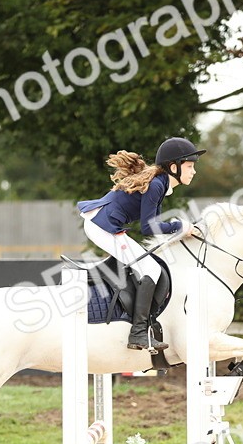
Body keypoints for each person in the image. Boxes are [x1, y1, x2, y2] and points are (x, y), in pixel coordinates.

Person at [75, 137, 202, 350]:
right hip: (101, 227)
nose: (193, 171)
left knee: (146, 264)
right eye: (190, 166)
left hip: (104, 225)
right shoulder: (156, 185)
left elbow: (155, 227)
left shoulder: (160, 184)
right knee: (150, 268)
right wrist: (180, 226)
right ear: (174, 167)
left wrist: (180, 230)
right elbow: (149, 228)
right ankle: (138, 333)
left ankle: (140, 327)